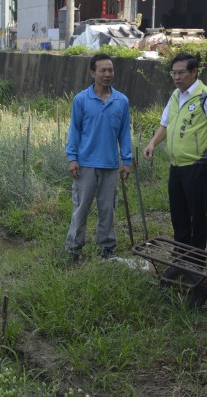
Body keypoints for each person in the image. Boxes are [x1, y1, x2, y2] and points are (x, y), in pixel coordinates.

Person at [142, 53, 207, 256]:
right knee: (178, 214)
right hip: (176, 166)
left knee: (197, 216)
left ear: (194, 72)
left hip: (197, 166)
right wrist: (152, 143)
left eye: (181, 73)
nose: (176, 77)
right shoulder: (176, 96)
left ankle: (196, 259)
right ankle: (180, 255)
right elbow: (165, 124)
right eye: (173, 73)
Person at [65, 53, 132, 263]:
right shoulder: (81, 100)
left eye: (110, 70)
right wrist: (72, 158)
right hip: (85, 165)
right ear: (93, 73)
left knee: (108, 209)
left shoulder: (121, 101)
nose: (107, 74)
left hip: (110, 165)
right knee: (81, 209)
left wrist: (127, 161)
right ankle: (74, 250)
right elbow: (74, 131)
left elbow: (124, 134)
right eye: (102, 70)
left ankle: (107, 248)